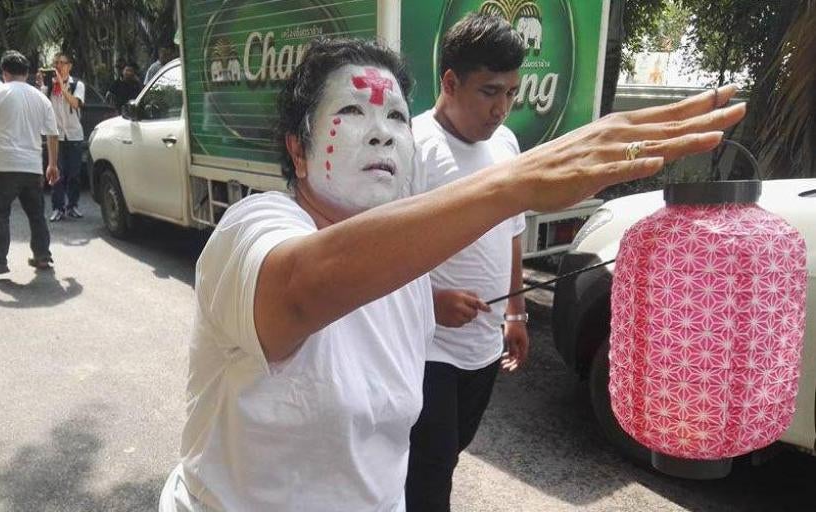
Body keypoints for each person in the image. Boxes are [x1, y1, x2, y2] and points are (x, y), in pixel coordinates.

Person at [157, 37, 744, 511]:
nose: (384, 130)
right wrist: (520, 181)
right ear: (299, 150)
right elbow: (299, 291)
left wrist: (461, 306)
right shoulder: (253, 226)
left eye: (393, 115)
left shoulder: (405, 271)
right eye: (352, 112)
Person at [404, 14, 534, 510]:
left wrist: (516, 312)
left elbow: (513, 231)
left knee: (448, 454)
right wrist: (427, 302)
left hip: (482, 349)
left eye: (511, 94)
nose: (501, 109)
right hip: (425, 350)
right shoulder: (412, 147)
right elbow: (374, 254)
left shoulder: (506, 144)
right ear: (450, 82)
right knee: (430, 472)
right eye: (489, 92)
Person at [0, 50, 60, 277]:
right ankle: (42, 256)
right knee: (36, 214)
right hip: (33, 167)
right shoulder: (40, 98)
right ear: (27, 72)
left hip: (5, 166)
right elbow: (52, 135)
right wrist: (52, 164)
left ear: (4, 73)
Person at [40, 52, 86, 222]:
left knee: (74, 173)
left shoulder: (77, 85)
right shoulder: (50, 87)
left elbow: (75, 103)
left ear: (69, 66)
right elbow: (41, 105)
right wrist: (41, 85)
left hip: (74, 135)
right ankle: (58, 207)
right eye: (56, 63)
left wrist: (62, 84)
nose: (59, 65)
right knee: (57, 173)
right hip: (56, 137)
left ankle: (72, 205)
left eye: (62, 63)